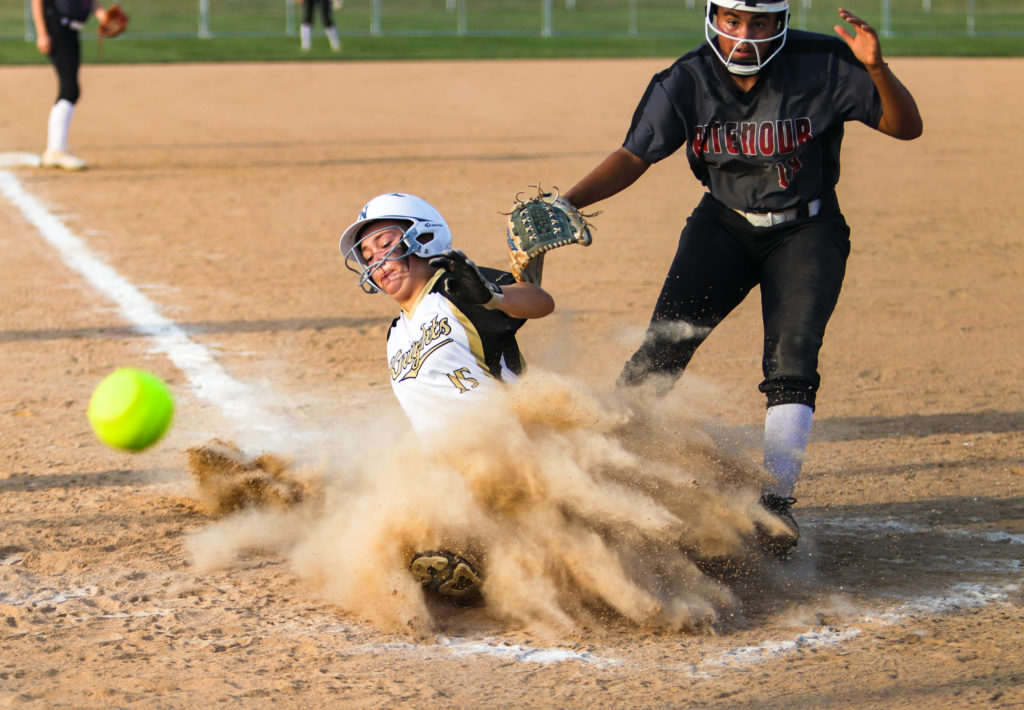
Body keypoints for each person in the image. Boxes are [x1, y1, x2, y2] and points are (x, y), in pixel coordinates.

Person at [559, 2, 922, 559]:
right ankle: (596, 471)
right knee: (664, 347)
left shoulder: (822, 62)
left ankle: (776, 505)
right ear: (713, 18)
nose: (743, 34)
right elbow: (634, 155)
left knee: (793, 358)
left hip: (808, 228)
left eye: (758, 22)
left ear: (780, 22)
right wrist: (567, 202)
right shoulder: (687, 78)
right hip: (722, 226)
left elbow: (907, 128)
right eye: (731, 20)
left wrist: (875, 68)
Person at [339, 192, 555, 597]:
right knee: (376, 522)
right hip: (449, 472)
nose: (377, 262)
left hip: (508, 454)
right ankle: (474, 566)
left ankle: (490, 562)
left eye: (385, 245)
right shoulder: (395, 335)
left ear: (423, 238)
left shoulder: (457, 288)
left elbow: (541, 303)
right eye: (367, 256)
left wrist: (491, 295)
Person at [31, 0, 116, 170]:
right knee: (70, 89)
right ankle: (55, 151)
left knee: (70, 89)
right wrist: (42, 33)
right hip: (56, 28)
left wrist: (103, 16)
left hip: (70, 31)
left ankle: (56, 149)